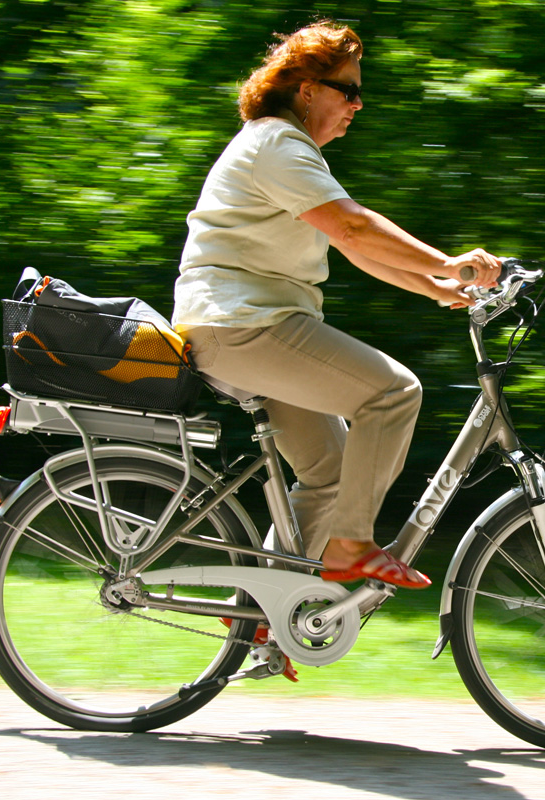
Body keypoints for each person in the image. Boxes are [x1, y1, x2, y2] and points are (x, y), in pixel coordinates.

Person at [172, 22, 500, 589]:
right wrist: (448, 262)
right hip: (244, 325)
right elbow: (352, 228)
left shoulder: (285, 149)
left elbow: (351, 245)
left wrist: (435, 287)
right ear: (306, 88)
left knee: (329, 472)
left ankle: (259, 614)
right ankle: (354, 544)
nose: (357, 103)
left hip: (246, 326)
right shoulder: (276, 142)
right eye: (346, 89)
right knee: (394, 392)